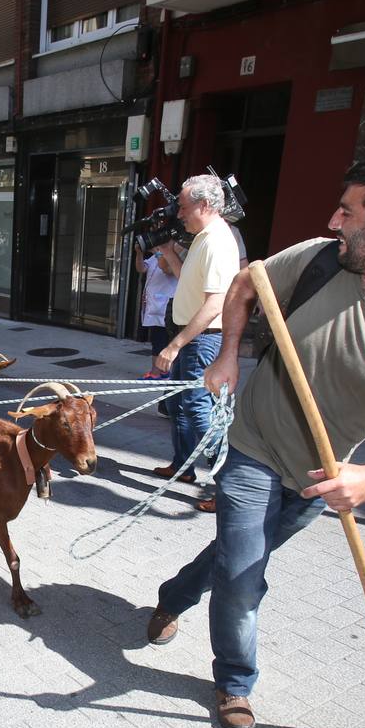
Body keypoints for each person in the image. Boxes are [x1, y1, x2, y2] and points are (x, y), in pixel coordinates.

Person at [146, 147, 365, 728]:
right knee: (245, 577)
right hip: (253, 446)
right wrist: (227, 357)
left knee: (237, 560)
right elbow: (247, 284)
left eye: (348, 212)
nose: (333, 222)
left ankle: (174, 594)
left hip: (322, 475)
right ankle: (235, 682)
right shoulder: (321, 263)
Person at [150, 176, 240, 504]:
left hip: (202, 338)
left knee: (199, 408)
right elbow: (186, 274)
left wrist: (174, 345)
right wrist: (165, 251)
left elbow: (215, 303)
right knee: (179, 404)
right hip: (189, 335)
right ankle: (183, 465)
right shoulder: (203, 237)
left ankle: (229, 486)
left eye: (184, 207)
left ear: (204, 205)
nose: (180, 214)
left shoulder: (217, 240)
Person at [134, 241, 179, 378]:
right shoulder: (155, 257)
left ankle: (156, 373)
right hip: (154, 307)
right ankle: (163, 370)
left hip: (165, 307)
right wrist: (139, 253)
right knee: (158, 340)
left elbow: (167, 269)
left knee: (161, 340)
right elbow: (141, 268)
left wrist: (158, 252)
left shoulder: (173, 257)